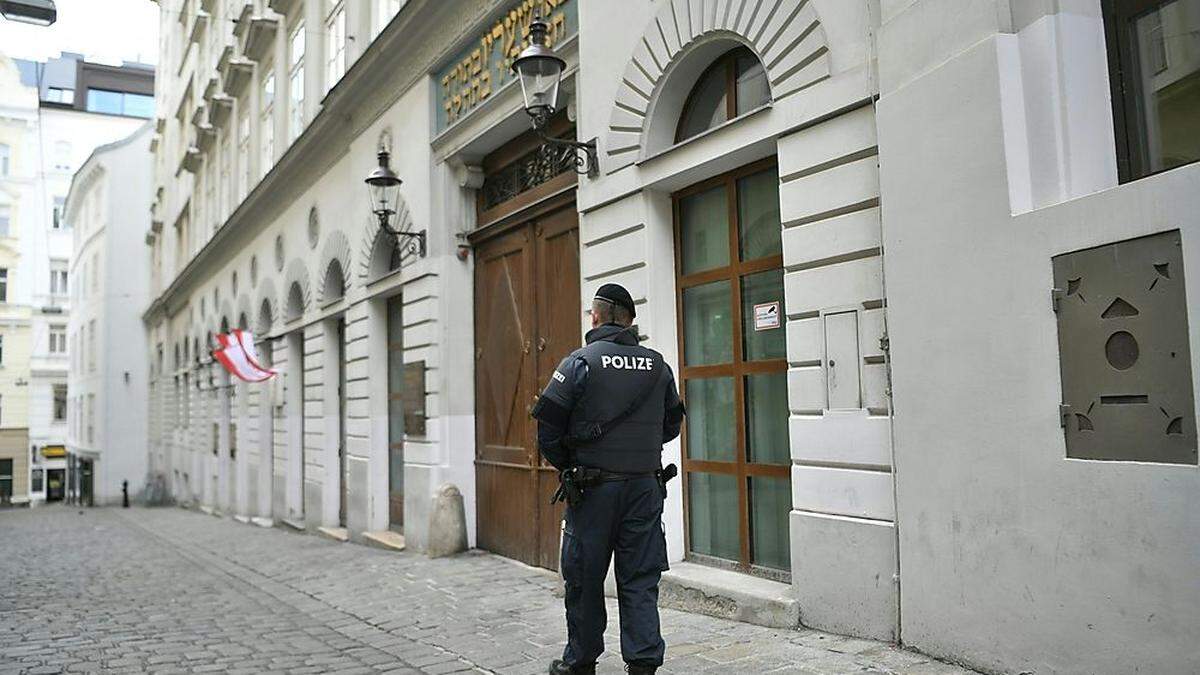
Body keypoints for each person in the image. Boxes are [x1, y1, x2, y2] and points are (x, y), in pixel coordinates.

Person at [531, 283, 685, 675]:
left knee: (584, 579)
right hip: (644, 490)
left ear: (595, 317)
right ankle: (644, 665)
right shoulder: (657, 365)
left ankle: (580, 662)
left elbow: (548, 428)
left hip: (592, 491)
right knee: (640, 579)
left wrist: (571, 465)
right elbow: (671, 425)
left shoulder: (579, 362)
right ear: (631, 320)